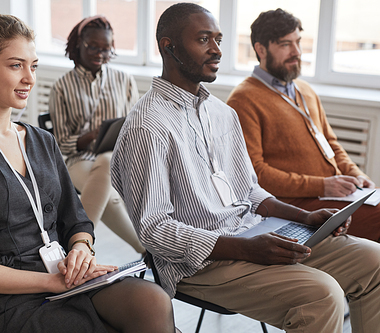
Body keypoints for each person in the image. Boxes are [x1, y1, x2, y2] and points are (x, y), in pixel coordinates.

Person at [111, 3, 380, 332]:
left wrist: (305, 218)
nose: (216, 50)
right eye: (204, 40)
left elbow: (250, 191)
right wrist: (247, 249)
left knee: (374, 260)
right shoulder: (148, 127)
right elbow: (156, 230)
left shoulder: (222, 114)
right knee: (322, 295)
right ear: (169, 47)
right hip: (199, 264)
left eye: (219, 40)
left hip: (254, 235)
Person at [0, 14, 175, 333]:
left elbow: (77, 220)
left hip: (67, 280)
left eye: (34, 66)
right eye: (16, 65)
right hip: (9, 304)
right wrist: (50, 281)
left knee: (152, 301)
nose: (29, 78)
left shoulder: (41, 141)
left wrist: (82, 249)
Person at [226, 8, 380, 242]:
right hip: (296, 204)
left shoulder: (305, 90)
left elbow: (331, 143)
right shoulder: (243, 99)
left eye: (298, 42)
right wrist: (323, 186)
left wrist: (357, 175)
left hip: (337, 196)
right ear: (260, 49)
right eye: (285, 45)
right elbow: (255, 174)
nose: (296, 52)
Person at [49, 15, 145, 255]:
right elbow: (61, 143)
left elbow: (134, 125)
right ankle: (145, 251)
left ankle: (74, 246)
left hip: (119, 160)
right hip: (78, 161)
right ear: (79, 43)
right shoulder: (61, 86)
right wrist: (88, 137)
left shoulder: (124, 80)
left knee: (108, 162)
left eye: (106, 49)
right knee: (106, 171)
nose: (100, 54)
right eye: (93, 47)